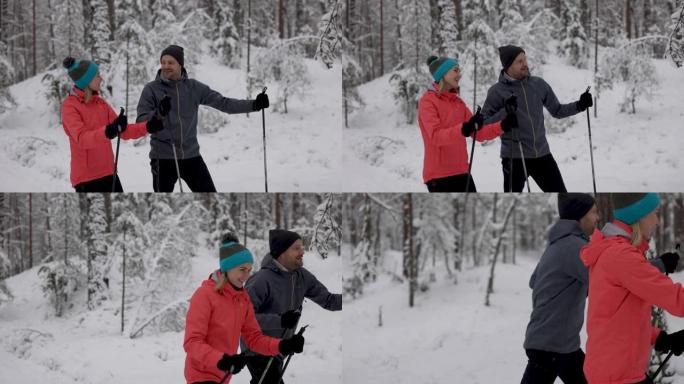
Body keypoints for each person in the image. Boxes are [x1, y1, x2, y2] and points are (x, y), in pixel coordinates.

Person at [521, 193, 675, 384]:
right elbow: (621, 275)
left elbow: (534, 281)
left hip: (549, 341)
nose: (598, 218)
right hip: (553, 345)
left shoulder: (556, 245)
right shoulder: (574, 247)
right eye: (594, 212)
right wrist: (660, 265)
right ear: (581, 216)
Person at [136, 44, 270, 192]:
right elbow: (141, 121)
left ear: (180, 64)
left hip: (191, 156)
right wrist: (158, 114)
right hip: (162, 158)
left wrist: (255, 105)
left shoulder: (194, 88)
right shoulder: (151, 89)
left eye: (170, 62)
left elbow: (224, 103)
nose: (165, 66)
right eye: (163, 62)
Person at [581, 193, 684, 384]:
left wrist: (660, 338)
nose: (657, 222)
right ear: (639, 216)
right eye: (654, 214)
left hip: (615, 371)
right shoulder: (622, 256)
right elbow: (676, 299)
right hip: (616, 376)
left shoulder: (615, 251)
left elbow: (617, 317)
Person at [184, 234, 305, 384]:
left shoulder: (243, 299)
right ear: (227, 268)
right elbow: (192, 342)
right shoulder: (204, 295)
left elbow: (254, 338)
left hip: (223, 376)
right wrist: (222, 360)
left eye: (249, 270)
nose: (246, 276)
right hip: (200, 375)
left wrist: (282, 345)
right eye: (242, 269)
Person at [482, 45, 593, 192]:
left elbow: (557, 110)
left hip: (542, 155)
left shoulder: (538, 84)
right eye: (519, 61)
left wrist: (579, 105)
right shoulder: (497, 91)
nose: (525, 64)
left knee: (562, 196)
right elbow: (483, 125)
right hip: (514, 158)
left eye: (525, 59)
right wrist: (505, 112)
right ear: (508, 66)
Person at [243, 229, 342, 384]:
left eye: (302, 247)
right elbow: (243, 318)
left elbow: (328, 300)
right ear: (282, 253)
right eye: (296, 248)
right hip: (256, 348)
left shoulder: (302, 276)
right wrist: (280, 321)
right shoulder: (261, 280)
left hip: (281, 347)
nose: (302, 252)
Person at [61, 56, 164, 192]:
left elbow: (123, 131)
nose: (101, 79)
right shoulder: (70, 106)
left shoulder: (100, 103)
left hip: (109, 174)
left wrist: (148, 126)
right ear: (86, 80)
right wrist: (108, 131)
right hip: (86, 179)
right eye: (97, 75)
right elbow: (82, 138)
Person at [418, 55, 516, 192]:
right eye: (455, 70)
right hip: (439, 176)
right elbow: (435, 136)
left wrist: (503, 125)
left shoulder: (458, 103)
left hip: (463, 173)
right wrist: (463, 128)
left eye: (459, 71)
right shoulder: (428, 101)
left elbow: (479, 133)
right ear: (443, 74)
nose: (460, 75)